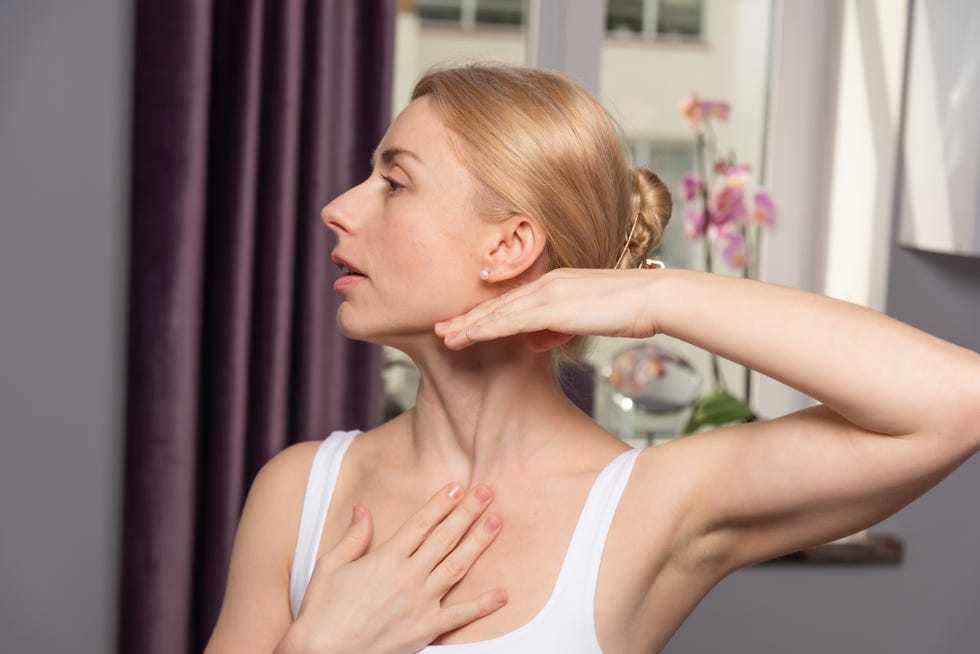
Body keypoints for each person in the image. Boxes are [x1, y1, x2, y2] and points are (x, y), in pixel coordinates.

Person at [205, 64, 980, 654]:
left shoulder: (646, 507)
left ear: (509, 245)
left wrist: (654, 301)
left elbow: (956, 401)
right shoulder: (300, 490)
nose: (337, 208)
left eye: (393, 183)